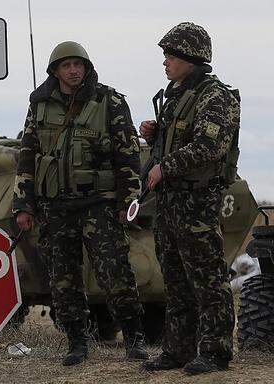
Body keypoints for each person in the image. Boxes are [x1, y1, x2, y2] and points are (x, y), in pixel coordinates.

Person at [13, 41, 147, 366]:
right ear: (55, 71)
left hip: (98, 203)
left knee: (115, 272)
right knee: (62, 279)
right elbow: (27, 157)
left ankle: (134, 339)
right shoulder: (40, 105)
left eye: (79, 65)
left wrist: (128, 200)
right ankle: (76, 343)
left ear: (86, 68)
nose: (74, 70)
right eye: (67, 65)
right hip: (55, 207)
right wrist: (23, 205)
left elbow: (127, 155)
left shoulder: (108, 101)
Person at [139, 22, 240, 375]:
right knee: (176, 280)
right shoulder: (177, 96)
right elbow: (180, 138)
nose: (165, 62)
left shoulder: (216, 96)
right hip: (170, 203)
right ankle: (178, 349)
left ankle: (215, 351)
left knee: (208, 280)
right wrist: (155, 133)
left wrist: (164, 166)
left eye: (171, 55)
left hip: (197, 203)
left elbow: (210, 146)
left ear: (190, 57)